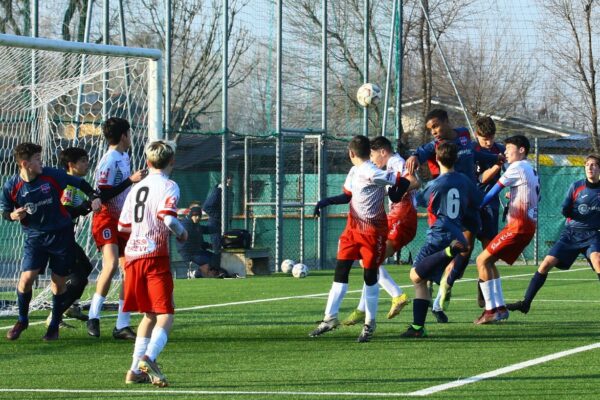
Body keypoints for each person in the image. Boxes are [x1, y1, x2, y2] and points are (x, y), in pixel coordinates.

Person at [309, 135, 410, 343]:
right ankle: (329, 318)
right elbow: (347, 196)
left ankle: (370, 324)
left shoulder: (373, 172)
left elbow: (401, 183)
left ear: (351, 153)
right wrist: (324, 202)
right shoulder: (355, 170)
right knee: (341, 272)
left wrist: (397, 190)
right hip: (352, 231)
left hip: (373, 233)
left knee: (370, 276)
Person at [405, 109, 502, 323]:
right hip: (447, 208)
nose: (434, 132)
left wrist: (494, 157)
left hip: (468, 205)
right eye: (430, 129)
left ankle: (445, 289)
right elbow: (422, 151)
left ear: (447, 122)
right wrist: (413, 156)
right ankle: (436, 298)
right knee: (440, 255)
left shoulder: (465, 135)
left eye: (436, 126)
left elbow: (475, 155)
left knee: (463, 250)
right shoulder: (436, 147)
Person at [1, 142, 100, 341]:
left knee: (58, 282)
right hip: (34, 237)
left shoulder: (50, 175)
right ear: (25, 163)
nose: (41, 162)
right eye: (37, 159)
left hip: (61, 236)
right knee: (26, 278)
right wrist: (12, 215)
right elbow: (5, 211)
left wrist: (94, 196)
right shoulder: (12, 185)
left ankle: (54, 324)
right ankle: (22, 320)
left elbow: (79, 183)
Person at [118, 140, 186, 387]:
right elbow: (167, 218)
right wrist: (181, 232)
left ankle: (134, 371)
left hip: (133, 257)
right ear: (172, 162)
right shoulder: (169, 185)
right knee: (166, 314)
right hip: (154, 256)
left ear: (147, 162)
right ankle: (149, 358)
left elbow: (122, 225)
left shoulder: (137, 188)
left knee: (148, 315)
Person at [400, 142, 481, 338]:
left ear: (436, 159)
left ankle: (448, 254)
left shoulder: (437, 183)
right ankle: (418, 328)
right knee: (421, 281)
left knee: (415, 276)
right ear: (457, 159)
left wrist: (413, 180)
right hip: (456, 234)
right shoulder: (464, 181)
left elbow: (419, 201)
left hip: (438, 236)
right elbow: (478, 199)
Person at [507, 154, 600, 315]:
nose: (590, 168)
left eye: (594, 165)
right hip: (571, 234)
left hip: (593, 235)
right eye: (587, 165)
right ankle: (525, 303)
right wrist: (571, 210)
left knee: (598, 261)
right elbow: (565, 209)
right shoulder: (576, 186)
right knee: (545, 264)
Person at [432, 116, 505, 317]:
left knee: (489, 255)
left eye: (491, 138)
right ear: (476, 135)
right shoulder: (469, 150)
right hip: (473, 204)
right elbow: (480, 178)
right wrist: (496, 167)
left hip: (490, 207)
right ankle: (442, 293)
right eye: (484, 139)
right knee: (465, 250)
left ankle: (491, 300)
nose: (488, 142)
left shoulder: (499, 150)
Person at [342, 136, 419, 325]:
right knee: (369, 262)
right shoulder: (390, 164)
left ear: (383, 152)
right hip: (397, 215)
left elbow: (414, 181)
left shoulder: (395, 161)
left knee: (369, 262)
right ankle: (361, 310)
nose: (373, 160)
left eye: (374, 155)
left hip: (402, 215)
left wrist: (398, 188)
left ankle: (397, 294)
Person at [87, 117, 147, 339]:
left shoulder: (124, 156)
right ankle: (93, 316)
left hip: (122, 219)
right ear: (124, 136)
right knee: (111, 265)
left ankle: (122, 325)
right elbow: (102, 194)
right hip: (106, 218)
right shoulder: (110, 159)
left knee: (129, 271)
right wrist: (131, 180)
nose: (131, 138)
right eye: (129, 134)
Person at [474, 135, 539, 324]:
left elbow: (493, 190)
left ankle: (490, 310)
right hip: (526, 225)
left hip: (518, 226)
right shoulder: (531, 170)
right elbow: (536, 198)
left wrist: (476, 206)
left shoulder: (517, 167)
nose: (505, 152)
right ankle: (499, 308)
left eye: (509, 148)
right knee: (489, 262)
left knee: (481, 260)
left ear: (521, 150)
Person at [44, 147, 96, 328]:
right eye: (82, 160)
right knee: (79, 278)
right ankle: (54, 316)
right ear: (71, 165)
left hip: (66, 238)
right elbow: (64, 211)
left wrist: (86, 206)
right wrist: (84, 207)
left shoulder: (75, 183)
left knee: (86, 267)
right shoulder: (68, 186)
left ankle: (71, 306)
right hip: (58, 239)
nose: (86, 163)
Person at [177, 204, 234, 278]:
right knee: (213, 260)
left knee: (216, 258)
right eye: (195, 215)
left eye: (199, 216)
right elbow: (191, 242)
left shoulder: (195, 225)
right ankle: (196, 273)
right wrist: (207, 246)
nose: (197, 218)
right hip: (190, 255)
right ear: (191, 215)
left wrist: (220, 228)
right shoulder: (187, 225)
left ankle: (211, 273)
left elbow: (205, 230)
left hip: (196, 252)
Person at [202, 175, 233, 254]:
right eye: (229, 178)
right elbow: (206, 207)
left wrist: (227, 219)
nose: (230, 181)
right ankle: (216, 265)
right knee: (217, 249)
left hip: (224, 224)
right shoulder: (218, 191)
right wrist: (219, 217)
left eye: (231, 179)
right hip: (216, 224)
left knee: (226, 247)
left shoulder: (229, 192)